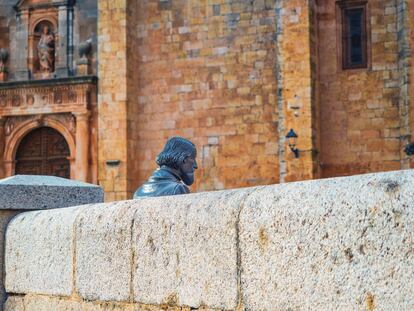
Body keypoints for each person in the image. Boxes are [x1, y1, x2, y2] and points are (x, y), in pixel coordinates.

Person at [133, 137, 198, 198]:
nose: (196, 165)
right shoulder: (178, 189)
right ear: (182, 159)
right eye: (193, 158)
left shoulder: (138, 192)